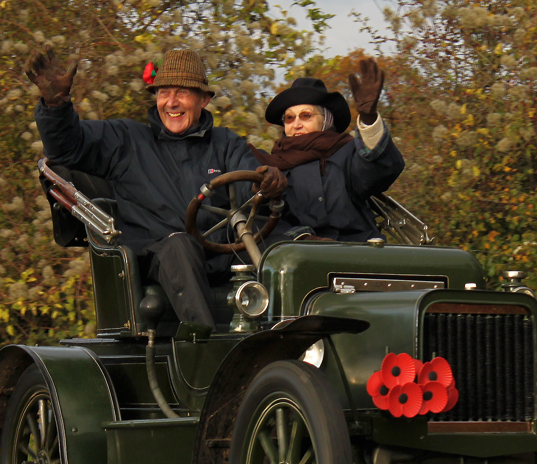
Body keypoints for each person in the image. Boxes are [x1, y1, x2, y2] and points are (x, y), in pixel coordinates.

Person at [26, 47, 286, 328]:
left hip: (220, 256)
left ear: (204, 100)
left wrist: (269, 185)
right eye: (164, 93)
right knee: (180, 245)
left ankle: (295, 337)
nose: (171, 102)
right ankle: (205, 345)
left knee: (289, 244)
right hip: (158, 258)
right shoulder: (126, 140)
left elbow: (251, 191)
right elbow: (66, 148)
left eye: (182, 93)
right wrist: (57, 105)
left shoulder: (225, 144)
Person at [250, 58, 405, 242]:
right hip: (296, 258)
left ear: (326, 120)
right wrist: (301, 238)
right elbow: (258, 219)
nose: (296, 124)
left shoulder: (348, 153)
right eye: (290, 119)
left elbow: (381, 171)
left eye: (306, 116)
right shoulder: (270, 166)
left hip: (357, 253)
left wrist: (369, 120)